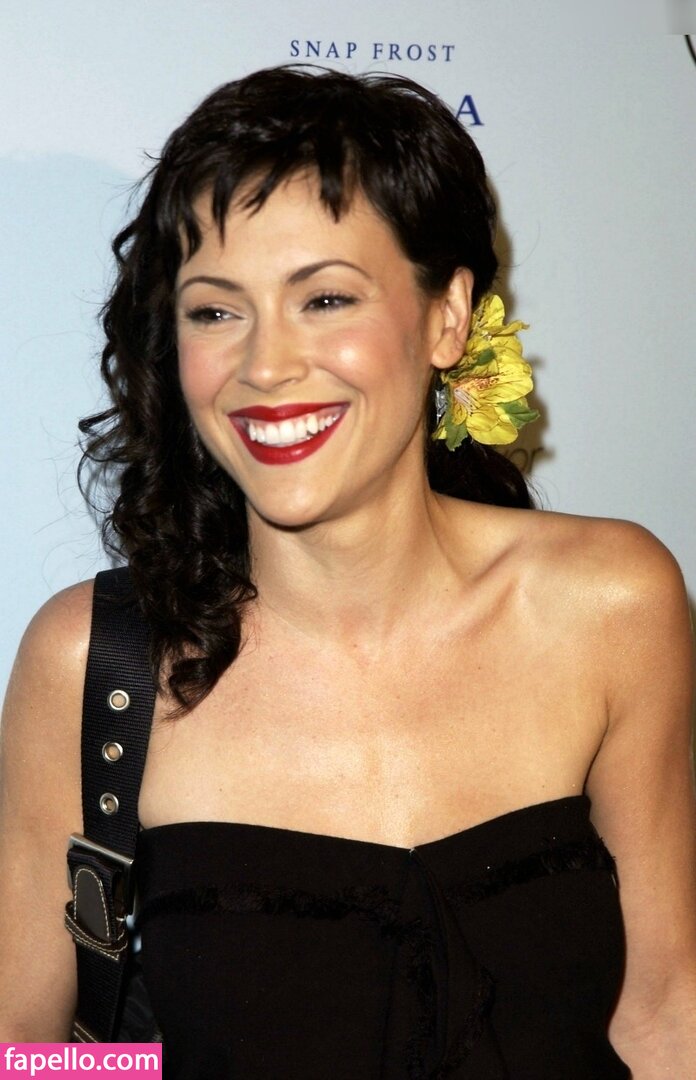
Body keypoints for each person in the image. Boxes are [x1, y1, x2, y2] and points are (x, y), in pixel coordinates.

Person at [0, 65, 694, 1078]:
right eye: (214, 312)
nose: (265, 366)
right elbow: (26, 1055)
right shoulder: (96, 664)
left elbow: (666, 1013)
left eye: (325, 299)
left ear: (448, 316)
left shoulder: (611, 605)